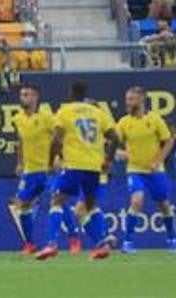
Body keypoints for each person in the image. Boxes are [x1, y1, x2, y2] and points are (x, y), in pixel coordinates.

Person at [37, 81, 120, 260]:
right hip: (94, 166)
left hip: (74, 164)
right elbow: (115, 137)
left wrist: (50, 163)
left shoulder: (65, 111)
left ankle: (51, 244)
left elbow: (56, 139)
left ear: (71, 92)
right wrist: (108, 159)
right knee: (90, 205)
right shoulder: (98, 113)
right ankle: (102, 244)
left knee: (57, 200)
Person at [115, 86, 176, 253]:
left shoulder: (155, 119)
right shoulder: (123, 122)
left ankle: (172, 239)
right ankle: (127, 243)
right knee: (137, 200)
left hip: (155, 171)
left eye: (131, 99)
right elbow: (112, 145)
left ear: (141, 99)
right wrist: (122, 153)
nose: (127, 102)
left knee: (164, 205)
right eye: (127, 99)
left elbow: (169, 141)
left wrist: (158, 161)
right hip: (135, 170)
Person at [7, 83, 58, 253]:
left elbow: (58, 139)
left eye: (27, 95)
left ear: (35, 97)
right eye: (22, 95)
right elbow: (20, 141)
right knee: (23, 205)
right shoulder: (18, 119)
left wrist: (57, 160)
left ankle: (71, 239)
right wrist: (19, 162)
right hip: (30, 171)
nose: (23, 98)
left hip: (47, 169)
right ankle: (29, 244)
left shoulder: (47, 118)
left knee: (58, 201)